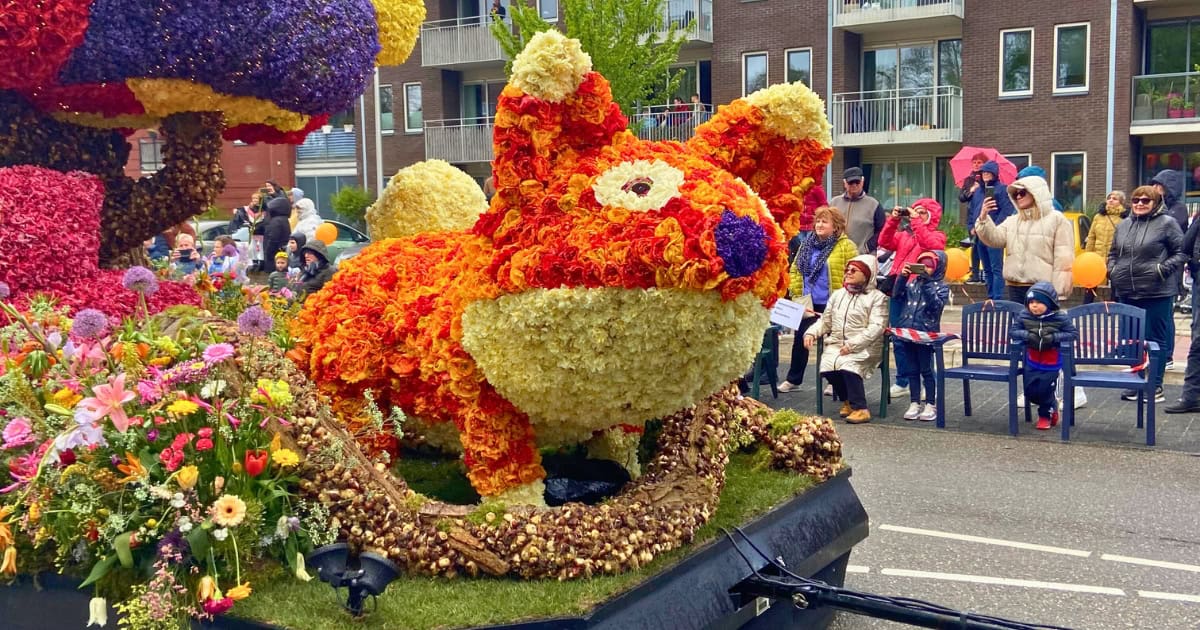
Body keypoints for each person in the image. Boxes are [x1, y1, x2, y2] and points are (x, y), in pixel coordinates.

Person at [1108, 185, 1185, 404]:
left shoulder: (1167, 224)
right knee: (1133, 340)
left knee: (1156, 340)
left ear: (1156, 203)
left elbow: (1182, 252)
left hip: (1156, 291)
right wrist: (1113, 269)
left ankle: (1156, 385)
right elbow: (1113, 252)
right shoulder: (1124, 225)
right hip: (1127, 291)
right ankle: (1136, 382)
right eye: (1136, 200)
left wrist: (1161, 269)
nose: (1140, 204)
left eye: (1145, 200)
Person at [778, 206, 858, 393]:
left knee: (833, 343)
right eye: (818, 221)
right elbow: (795, 269)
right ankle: (793, 380)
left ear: (835, 226)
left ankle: (833, 381)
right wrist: (797, 293)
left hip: (833, 302)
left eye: (825, 222)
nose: (820, 225)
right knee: (800, 341)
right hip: (808, 303)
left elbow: (856, 272)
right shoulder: (806, 244)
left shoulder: (846, 246)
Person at [802, 255, 889, 424]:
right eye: (847, 270)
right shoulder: (838, 295)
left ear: (866, 274)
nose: (848, 273)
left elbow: (877, 327)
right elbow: (825, 321)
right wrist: (811, 332)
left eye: (853, 271)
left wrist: (853, 345)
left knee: (848, 364)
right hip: (838, 343)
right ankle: (848, 400)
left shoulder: (878, 297)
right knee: (827, 366)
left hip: (867, 345)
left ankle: (861, 408)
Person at [877, 198, 945, 399]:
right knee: (899, 338)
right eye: (915, 211)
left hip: (922, 292)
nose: (917, 215)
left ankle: (928, 382)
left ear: (931, 216)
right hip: (899, 288)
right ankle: (902, 380)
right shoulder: (905, 236)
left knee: (923, 340)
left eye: (923, 212)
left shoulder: (937, 235)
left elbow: (929, 244)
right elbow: (884, 241)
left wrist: (916, 222)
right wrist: (893, 220)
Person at [975, 174, 1073, 304]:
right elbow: (995, 239)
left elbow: (1063, 259)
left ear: (1036, 193)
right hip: (1015, 286)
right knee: (1018, 323)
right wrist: (983, 217)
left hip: (1042, 288)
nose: (1018, 197)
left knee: (1039, 324)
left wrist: (1058, 292)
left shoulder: (1057, 219)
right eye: (1015, 194)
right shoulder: (1013, 220)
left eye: (1022, 193)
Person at [1010, 282, 1078, 430]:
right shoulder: (1024, 315)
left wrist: (1053, 338)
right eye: (1031, 302)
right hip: (1032, 360)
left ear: (1049, 303)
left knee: (1045, 390)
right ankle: (1051, 405)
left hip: (1052, 361)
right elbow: (1013, 331)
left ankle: (1044, 415)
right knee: (1030, 391)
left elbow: (1073, 334)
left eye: (1039, 302)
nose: (1034, 306)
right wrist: (1028, 335)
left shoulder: (1059, 317)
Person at [892, 250, 949, 421]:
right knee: (912, 370)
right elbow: (897, 295)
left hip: (925, 334)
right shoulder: (912, 283)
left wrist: (927, 285)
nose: (925, 268)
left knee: (926, 369)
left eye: (929, 266)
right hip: (908, 332)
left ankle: (931, 403)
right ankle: (914, 402)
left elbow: (935, 306)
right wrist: (902, 278)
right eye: (921, 264)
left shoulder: (941, 287)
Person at [967, 161, 1016, 300]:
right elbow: (972, 211)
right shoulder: (978, 192)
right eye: (983, 172)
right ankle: (990, 297)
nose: (985, 175)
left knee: (996, 268)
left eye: (988, 172)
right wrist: (971, 226)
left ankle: (997, 298)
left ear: (994, 174)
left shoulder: (1001, 190)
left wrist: (993, 227)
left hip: (994, 235)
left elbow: (1007, 210)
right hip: (979, 235)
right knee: (986, 268)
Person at [830, 167, 885, 254]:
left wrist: (867, 248)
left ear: (862, 182)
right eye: (850, 182)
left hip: (863, 258)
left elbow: (882, 231)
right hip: (837, 255)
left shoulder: (874, 205)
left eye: (857, 182)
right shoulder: (834, 203)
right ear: (845, 183)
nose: (854, 185)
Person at [957, 152, 987, 283]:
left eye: (979, 162)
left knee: (985, 246)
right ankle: (974, 274)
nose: (976, 165)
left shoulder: (987, 179)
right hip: (971, 216)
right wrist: (972, 190)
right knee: (974, 246)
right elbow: (962, 198)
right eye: (974, 162)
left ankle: (985, 274)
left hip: (984, 216)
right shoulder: (969, 179)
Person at [257, 196, 293, 272]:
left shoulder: (276, 221)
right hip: (280, 254)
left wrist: (268, 253)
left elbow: (273, 239)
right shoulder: (284, 220)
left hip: (274, 257)